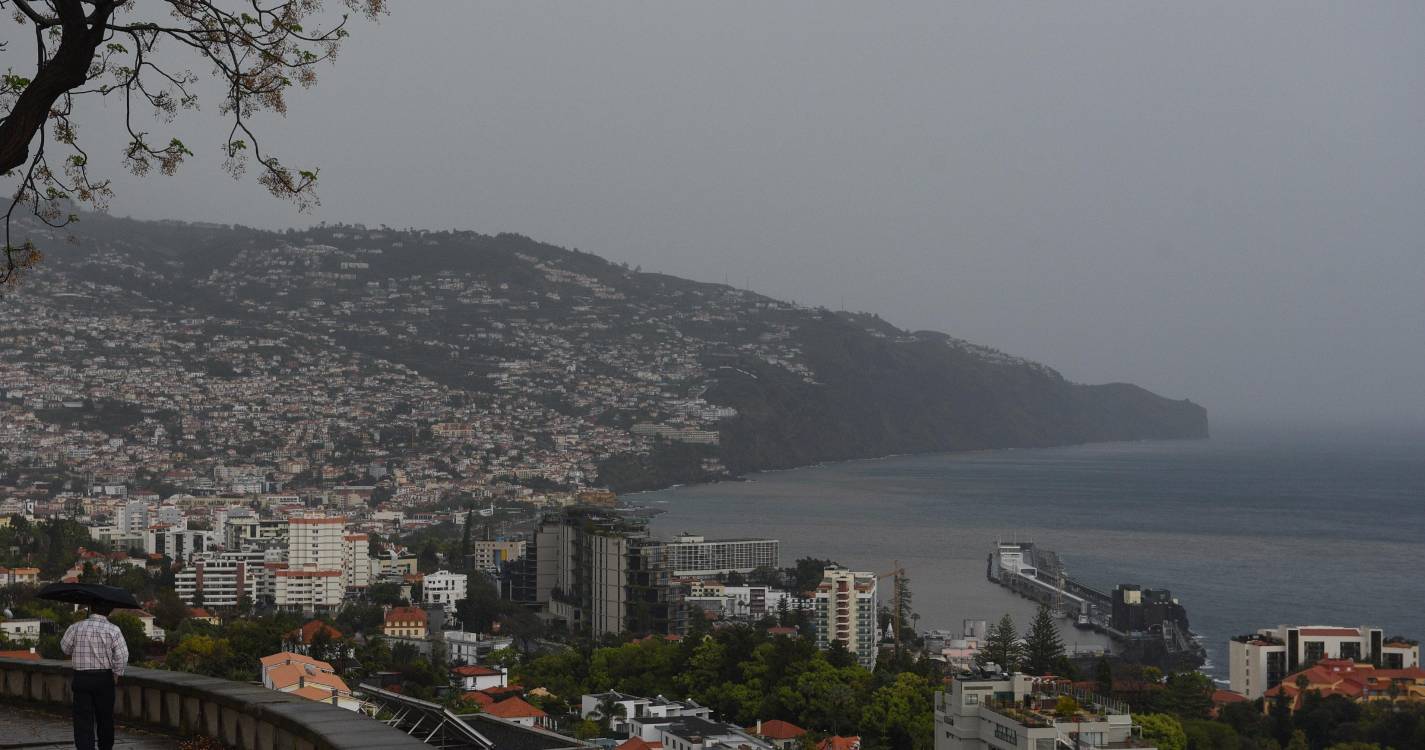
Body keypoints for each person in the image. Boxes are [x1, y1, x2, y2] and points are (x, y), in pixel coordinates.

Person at [61, 602, 129, 750]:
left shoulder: (76, 627)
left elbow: (65, 648)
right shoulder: (114, 630)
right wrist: (116, 674)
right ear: (109, 611)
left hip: (82, 678)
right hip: (104, 679)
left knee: (83, 720)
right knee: (105, 718)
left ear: (91, 608)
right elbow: (123, 655)